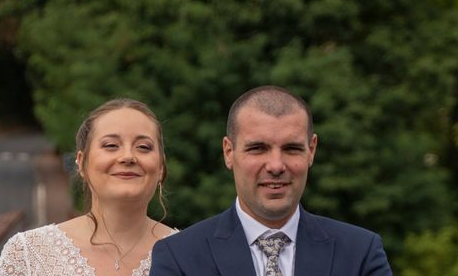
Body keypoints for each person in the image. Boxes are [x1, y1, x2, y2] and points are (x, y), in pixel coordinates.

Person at [150, 85, 392, 276]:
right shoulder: (179, 257)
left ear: (312, 150)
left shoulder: (360, 253)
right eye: (258, 148)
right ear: (228, 152)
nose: (276, 165)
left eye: (291, 148)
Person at [0, 98, 176, 276]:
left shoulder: (191, 253)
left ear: (160, 167)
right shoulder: (27, 254)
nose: (128, 156)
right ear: (82, 163)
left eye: (143, 147)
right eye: (111, 145)